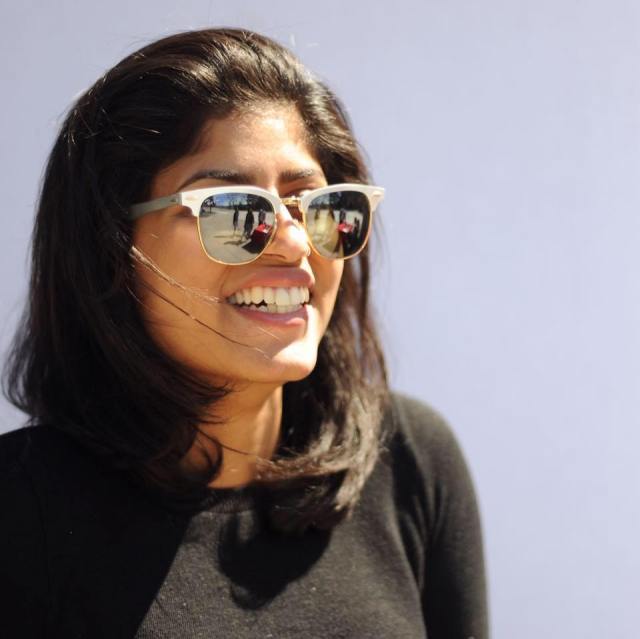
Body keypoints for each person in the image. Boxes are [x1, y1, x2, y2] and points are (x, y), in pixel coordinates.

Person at [0, 28, 488, 638]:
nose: (293, 243)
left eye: (314, 205)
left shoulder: (408, 460)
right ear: (110, 249)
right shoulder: (22, 515)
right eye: (232, 211)